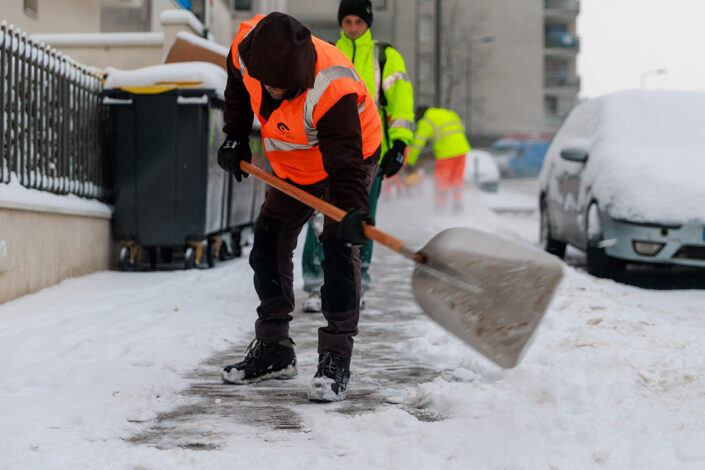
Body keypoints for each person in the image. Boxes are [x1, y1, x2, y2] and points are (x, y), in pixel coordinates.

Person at [217, 12, 382, 402]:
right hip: (293, 165)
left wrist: (351, 211)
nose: (274, 90)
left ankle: (335, 357)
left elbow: (346, 164)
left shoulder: (332, 87)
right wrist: (235, 137)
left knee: (337, 247)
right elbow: (238, 88)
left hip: (349, 159)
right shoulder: (244, 49)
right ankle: (275, 348)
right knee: (267, 242)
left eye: (283, 85)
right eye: (269, 83)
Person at [301, 0, 415, 313]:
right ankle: (316, 283)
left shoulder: (385, 56)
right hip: (328, 150)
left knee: (361, 218)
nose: (353, 28)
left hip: (371, 152)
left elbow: (401, 103)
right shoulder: (324, 53)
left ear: (368, 23)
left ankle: (357, 281)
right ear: (341, 23)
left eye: (359, 22)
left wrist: (399, 145)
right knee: (320, 215)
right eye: (348, 21)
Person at [406, 105, 471, 212]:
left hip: (446, 153)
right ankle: (458, 203)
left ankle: (440, 207)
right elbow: (459, 129)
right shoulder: (447, 113)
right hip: (462, 150)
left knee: (442, 180)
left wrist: (410, 163)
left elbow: (417, 144)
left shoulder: (426, 120)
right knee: (457, 178)